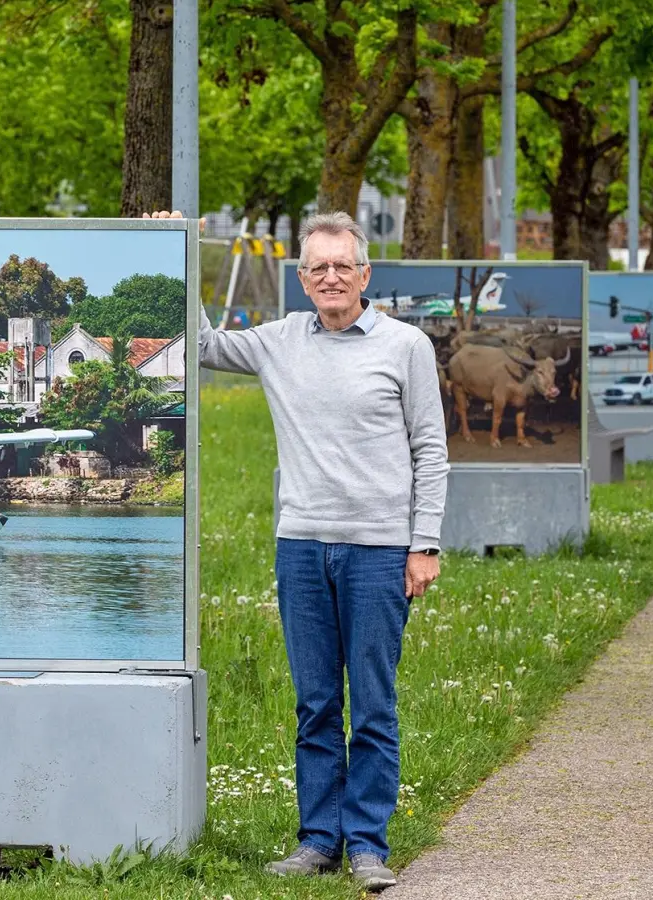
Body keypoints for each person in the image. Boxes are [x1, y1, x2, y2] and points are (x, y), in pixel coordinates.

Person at [153, 210, 449, 891]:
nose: (331, 277)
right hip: (301, 549)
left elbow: (431, 451)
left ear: (365, 273)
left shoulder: (406, 347)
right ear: (302, 278)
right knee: (316, 703)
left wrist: (424, 544)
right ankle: (319, 838)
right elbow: (202, 347)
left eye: (343, 266)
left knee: (372, 703)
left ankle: (368, 844)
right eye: (317, 268)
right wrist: (181, 248)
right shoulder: (280, 340)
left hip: (379, 551)